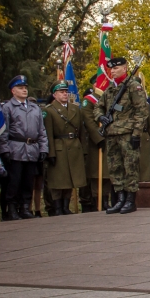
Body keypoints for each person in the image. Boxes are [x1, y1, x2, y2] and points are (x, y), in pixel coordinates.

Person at [96, 57, 149, 215]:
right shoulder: (111, 89)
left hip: (127, 133)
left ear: (125, 68)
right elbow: (98, 107)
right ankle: (120, 199)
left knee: (130, 167)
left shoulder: (133, 86)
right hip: (112, 133)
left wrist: (136, 133)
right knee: (115, 167)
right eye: (111, 69)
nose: (112, 71)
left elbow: (142, 111)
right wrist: (101, 117)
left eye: (116, 68)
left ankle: (130, 201)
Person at [0, 76, 49, 219]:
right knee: (14, 181)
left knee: (28, 180)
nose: (24, 90)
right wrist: (4, 150)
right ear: (13, 91)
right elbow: (4, 131)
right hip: (15, 147)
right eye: (21, 88)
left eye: (25, 87)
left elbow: (42, 131)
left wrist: (43, 148)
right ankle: (12, 209)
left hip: (32, 149)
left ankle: (25, 208)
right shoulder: (7, 108)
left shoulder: (35, 108)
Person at [42, 81, 92, 215]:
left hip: (74, 146)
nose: (64, 94)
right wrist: (50, 153)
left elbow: (81, 131)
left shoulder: (76, 109)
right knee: (58, 180)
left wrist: (84, 149)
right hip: (59, 147)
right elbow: (48, 134)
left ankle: (65, 206)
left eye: (65, 92)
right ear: (54, 94)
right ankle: (57, 207)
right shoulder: (49, 110)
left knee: (71, 178)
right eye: (61, 92)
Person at [78, 81, 111, 212]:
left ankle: (105, 200)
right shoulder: (89, 101)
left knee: (107, 174)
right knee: (97, 173)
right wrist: (99, 138)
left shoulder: (110, 98)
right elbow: (89, 122)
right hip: (95, 143)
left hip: (111, 140)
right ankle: (96, 200)